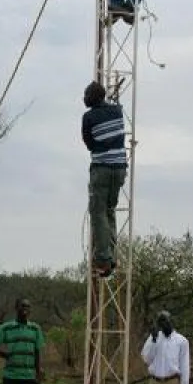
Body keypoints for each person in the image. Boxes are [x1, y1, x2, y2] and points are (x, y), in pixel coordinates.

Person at [81, 81, 127, 279]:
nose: (84, 98)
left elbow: (88, 142)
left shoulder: (89, 117)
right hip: (119, 169)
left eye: (86, 95)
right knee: (109, 212)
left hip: (102, 169)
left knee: (98, 213)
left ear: (93, 97)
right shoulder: (117, 111)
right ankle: (112, 255)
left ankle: (103, 260)